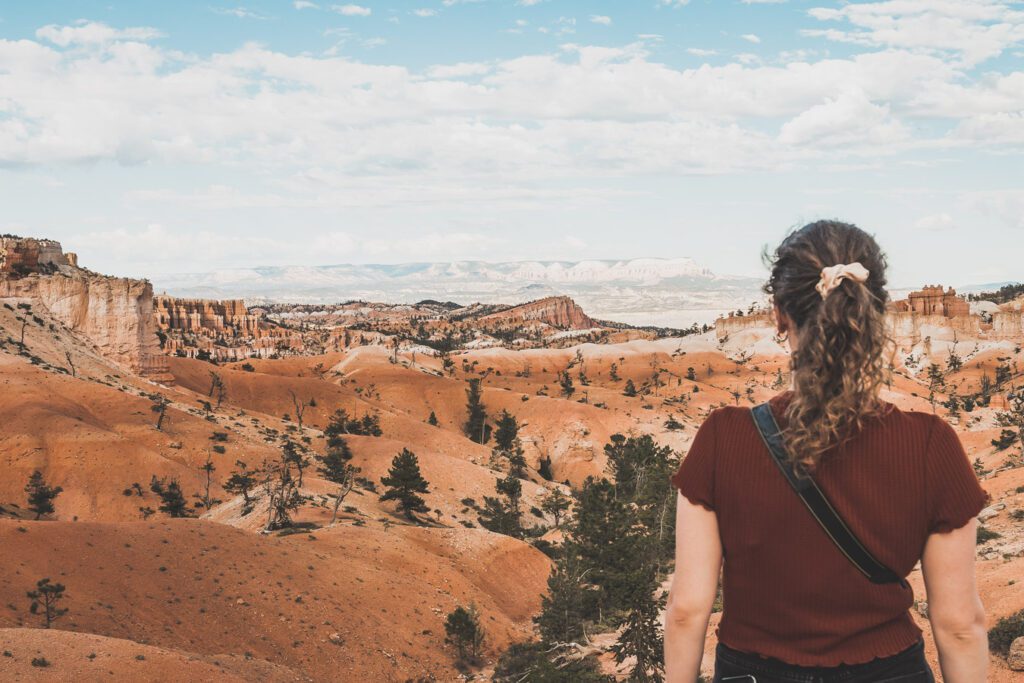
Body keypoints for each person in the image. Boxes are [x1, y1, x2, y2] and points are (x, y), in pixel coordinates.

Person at [663, 220, 989, 683]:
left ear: (779, 315)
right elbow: (959, 626)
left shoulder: (723, 438)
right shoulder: (930, 444)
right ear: (875, 310)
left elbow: (687, 609)